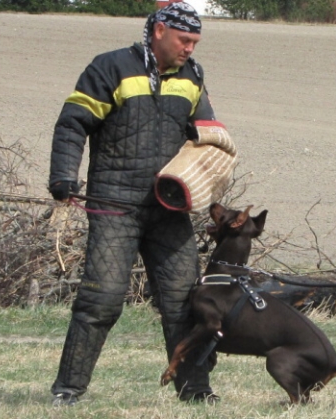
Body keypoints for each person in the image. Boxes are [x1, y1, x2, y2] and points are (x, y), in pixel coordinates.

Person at [48, 2, 225, 407]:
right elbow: (73, 123)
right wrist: (63, 177)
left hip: (170, 210)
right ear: (159, 31)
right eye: (185, 40)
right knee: (101, 300)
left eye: (195, 42)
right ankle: (68, 391)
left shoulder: (192, 77)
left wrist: (209, 178)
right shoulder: (109, 68)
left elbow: (207, 138)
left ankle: (195, 390)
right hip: (114, 205)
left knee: (185, 302)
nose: (190, 50)